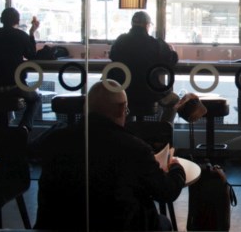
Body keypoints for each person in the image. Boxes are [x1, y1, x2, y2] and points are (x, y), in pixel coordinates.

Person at [34, 79, 186, 231]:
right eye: (126, 111)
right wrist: (177, 169)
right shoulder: (135, 149)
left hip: (56, 226)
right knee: (163, 223)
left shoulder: (54, 139)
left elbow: (32, 150)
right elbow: (166, 192)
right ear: (121, 110)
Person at [109, 11, 180, 122]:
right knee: (175, 100)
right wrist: (173, 51)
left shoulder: (120, 41)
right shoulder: (155, 44)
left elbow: (112, 56)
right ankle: (162, 129)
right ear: (147, 25)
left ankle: (126, 128)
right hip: (150, 93)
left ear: (132, 24)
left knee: (127, 103)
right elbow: (172, 60)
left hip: (123, 91)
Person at [0, 7, 41, 131]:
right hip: (14, 86)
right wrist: (32, 33)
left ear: (1, 20)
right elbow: (31, 55)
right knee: (36, 98)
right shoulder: (20, 35)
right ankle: (24, 128)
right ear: (17, 21)